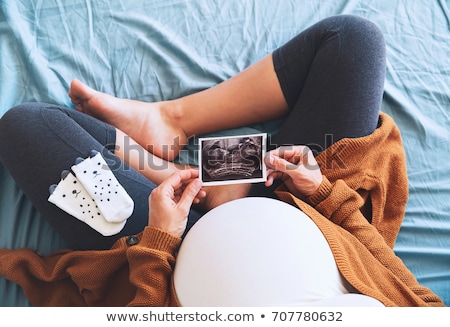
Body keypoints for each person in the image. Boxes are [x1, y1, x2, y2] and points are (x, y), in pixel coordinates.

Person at [0, 15, 444, 306]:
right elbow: (397, 283)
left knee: (29, 126)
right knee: (352, 41)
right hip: (304, 209)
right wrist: (324, 193)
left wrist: (158, 244)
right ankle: (173, 121)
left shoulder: (163, 249)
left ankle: (199, 186)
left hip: (172, 254)